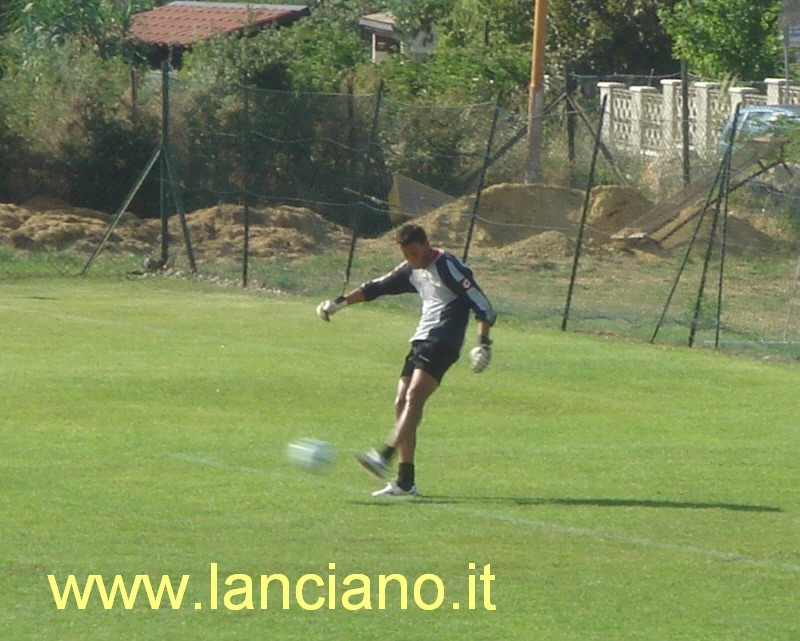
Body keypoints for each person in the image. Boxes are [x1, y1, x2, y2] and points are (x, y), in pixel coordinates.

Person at [316, 222, 496, 498]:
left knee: (414, 396)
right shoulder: (412, 269)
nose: (411, 260)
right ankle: (405, 482)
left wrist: (483, 343)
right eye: (406, 255)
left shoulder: (447, 265)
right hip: (421, 340)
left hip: (443, 341)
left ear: (426, 244)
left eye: (414, 253)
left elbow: (482, 303)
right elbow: (376, 287)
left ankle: (384, 455)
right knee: (401, 402)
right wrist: (338, 303)